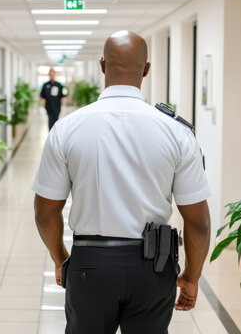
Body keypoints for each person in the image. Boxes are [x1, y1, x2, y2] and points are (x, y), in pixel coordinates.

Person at [32, 30, 211, 334]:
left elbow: (45, 212)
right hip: (154, 269)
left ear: (102, 66)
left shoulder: (66, 129)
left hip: (90, 265)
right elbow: (198, 222)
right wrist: (192, 275)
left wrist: (61, 258)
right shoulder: (177, 133)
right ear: (146, 69)